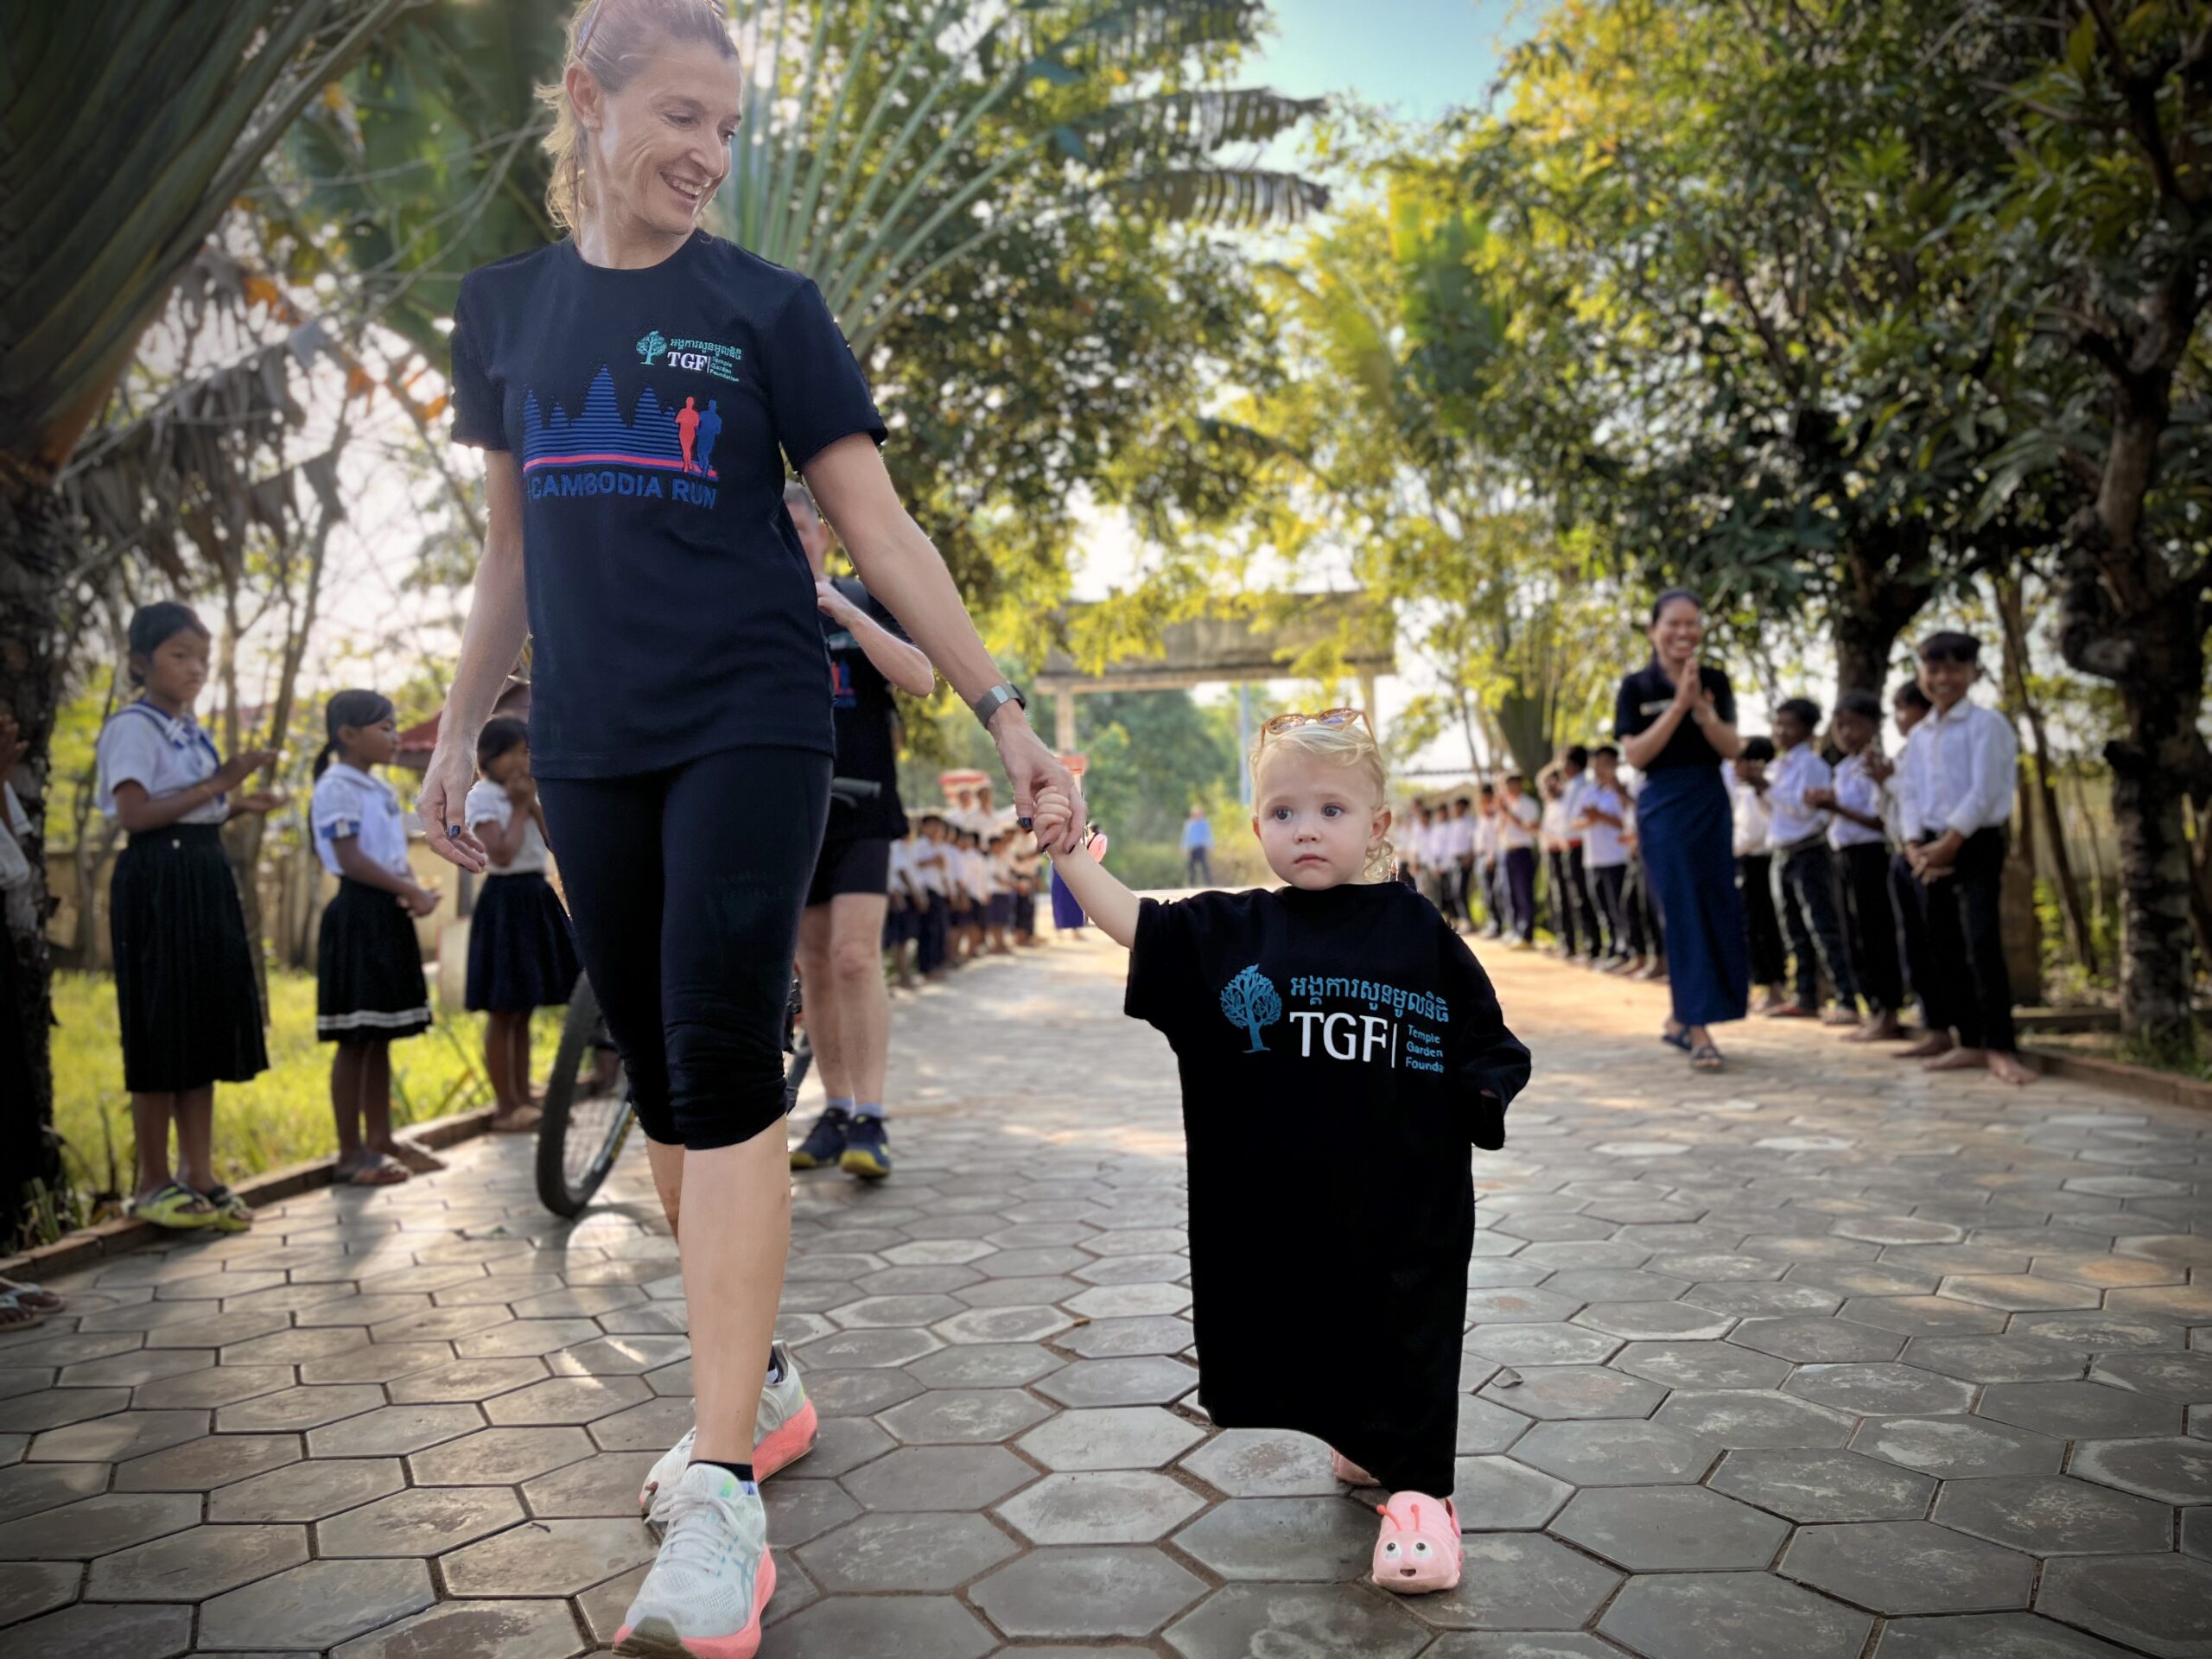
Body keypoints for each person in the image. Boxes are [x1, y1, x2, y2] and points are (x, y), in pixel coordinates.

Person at [418, 4, 1084, 1650]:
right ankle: (762, 1385)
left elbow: (882, 527)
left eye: (728, 127)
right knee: (659, 1071)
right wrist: (452, 739)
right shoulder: (504, 311)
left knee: (720, 1048)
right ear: (588, 101)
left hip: (753, 719)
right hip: (590, 743)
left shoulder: (767, 310)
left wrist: (1003, 713)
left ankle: (723, 1492)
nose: (709, 155)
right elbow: (508, 554)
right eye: (681, 117)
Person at [1030, 709, 1529, 1599]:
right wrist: (1070, 855)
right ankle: (1364, 1438)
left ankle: (1422, 1498)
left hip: (1408, 1193)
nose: (1307, 829)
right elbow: (1139, 926)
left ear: (1376, 825)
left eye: (1332, 810)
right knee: (1317, 1317)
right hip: (1286, 1193)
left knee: (1411, 1328)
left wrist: (1481, 1093)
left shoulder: (1416, 931)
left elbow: (1486, 1036)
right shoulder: (1236, 930)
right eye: (1284, 811)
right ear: (1257, 824)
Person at [93, 601, 283, 1231]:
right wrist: (221, 783)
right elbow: (136, 814)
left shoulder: (189, 728)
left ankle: (197, 1175)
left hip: (201, 871)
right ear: (141, 662)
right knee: (160, 1023)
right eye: (180, 655)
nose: (196, 669)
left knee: (199, 1023)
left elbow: (195, 805)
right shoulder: (134, 726)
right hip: (158, 880)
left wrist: (237, 804)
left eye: (203, 658)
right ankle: (153, 1182)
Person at [784, 480, 935, 1184]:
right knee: (813, 962)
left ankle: (871, 1116)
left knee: (851, 956)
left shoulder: (862, 599)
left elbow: (919, 675)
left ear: (821, 535)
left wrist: (842, 609)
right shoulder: (751, 611)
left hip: (863, 806)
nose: (790, 544)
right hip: (789, 813)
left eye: (798, 530)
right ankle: (836, 1108)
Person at [311, 690, 444, 1187]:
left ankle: (381, 1139)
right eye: (384, 728)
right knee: (356, 1038)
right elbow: (350, 859)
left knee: (381, 1035)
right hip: (358, 916)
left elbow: (390, 855)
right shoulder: (336, 786)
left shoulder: (379, 789)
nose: (395, 737)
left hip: (386, 912)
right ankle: (350, 1153)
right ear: (348, 735)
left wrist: (414, 890)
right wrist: (407, 889)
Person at [1615, 590, 1747, 1071]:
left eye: (1692, 623)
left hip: (1709, 801)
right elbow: (1635, 755)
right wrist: (1678, 705)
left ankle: (1681, 1017)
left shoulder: (1715, 680)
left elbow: (1732, 748)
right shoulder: (1636, 686)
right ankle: (1697, 1028)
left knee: (1715, 904)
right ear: (1654, 630)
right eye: (1673, 623)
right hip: (1663, 808)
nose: (1683, 632)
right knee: (1682, 908)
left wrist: (1703, 711)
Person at [1896, 631, 2035, 1086]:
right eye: (1933, 669)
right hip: (1928, 846)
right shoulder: (1919, 736)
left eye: (1954, 669)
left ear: (1974, 672)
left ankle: (2000, 1046)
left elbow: (1985, 789)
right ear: (1921, 673)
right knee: (1943, 944)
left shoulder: (1987, 725)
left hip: (1974, 842)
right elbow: (1909, 793)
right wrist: (1913, 842)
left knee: (1981, 940)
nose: (1943, 678)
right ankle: (1969, 1040)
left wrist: (1952, 841)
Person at [463, 717, 576, 1133]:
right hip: (505, 901)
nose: (520, 761)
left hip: (533, 896)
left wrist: (531, 804)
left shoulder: (525, 794)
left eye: (525, 752)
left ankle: (525, 1096)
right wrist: (516, 806)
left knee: (524, 1006)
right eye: (511, 752)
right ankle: (506, 1105)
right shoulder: (483, 797)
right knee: (504, 1008)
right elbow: (502, 853)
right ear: (487, 757)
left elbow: (553, 842)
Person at [1809, 691, 1907, 1042]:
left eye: (1855, 724)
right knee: (1853, 934)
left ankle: (1889, 1009)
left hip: (1871, 855)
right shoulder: (1841, 769)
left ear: (1874, 726)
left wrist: (1837, 808)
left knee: (1876, 932)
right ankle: (1872, 1006)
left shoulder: (1877, 766)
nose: (1847, 733)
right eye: (1841, 725)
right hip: (1843, 856)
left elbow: (1880, 821)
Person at [1759, 696, 1859, 1026]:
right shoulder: (1776, 768)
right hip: (1781, 852)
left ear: (1807, 729)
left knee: (1822, 926)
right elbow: (1773, 813)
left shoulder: (1812, 766)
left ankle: (1846, 998)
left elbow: (1805, 809)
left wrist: (1767, 789)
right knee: (1792, 929)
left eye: (1788, 725)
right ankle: (1805, 996)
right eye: (1778, 724)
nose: (1780, 731)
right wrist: (1762, 791)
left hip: (1809, 851)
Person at [1874, 681, 1936, 1034]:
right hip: (1900, 850)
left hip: (1927, 849)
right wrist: (1881, 781)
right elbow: (1889, 809)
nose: (1898, 718)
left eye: (1903, 708)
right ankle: (1930, 1019)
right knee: (1911, 940)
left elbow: (1923, 796)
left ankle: (1944, 1023)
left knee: (1933, 939)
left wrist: (1889, 781)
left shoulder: (1929, 748)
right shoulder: (1900, 754)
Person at [1730, 736, 1788, 1012]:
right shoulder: (1746, 792)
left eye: (1738, 761)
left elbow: (1754, 833)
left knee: (1764, 927)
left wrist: (1732, 848)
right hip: (1748, 861)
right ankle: (1766, 985)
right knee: (1754, 928)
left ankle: (1776, 988)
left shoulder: (1761, 789)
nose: (1734, 767)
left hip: (1758, 861)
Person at [1577, 746, 1630, 964]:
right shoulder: (1588, 792)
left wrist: (1600, 816)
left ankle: (1626, 950)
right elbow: (1573, 823)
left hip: (1616, 857)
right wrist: (1591, 819)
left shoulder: (1622, 791)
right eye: (1597, 763)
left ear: (1616, 764)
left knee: (1620, 908)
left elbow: (1628, 823)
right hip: (1593, 858)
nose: (1600, 768)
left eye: (1606, 763)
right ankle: (1613, 948)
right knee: (1602, 909)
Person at [1496, 772, 1541, 946]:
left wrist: (1508, 813)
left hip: (1522, 851)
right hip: (1506, 852)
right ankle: (1515, 930)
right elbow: (1499, 830)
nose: (1509, 789)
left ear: (1520, 785)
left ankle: (1526, 934)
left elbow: (1528, 827)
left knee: (1523, 893)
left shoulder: (1528, 804)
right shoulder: (1506, 805)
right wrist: (1503, 813)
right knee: (1510, 894)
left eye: (1513, 785)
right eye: (1506, 786)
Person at [1181, 803, 1214, 886]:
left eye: (1199, 814)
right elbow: (1186, 837)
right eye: (1195, 814)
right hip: (1193, 848)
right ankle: (1191, 884)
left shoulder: (1205, 823)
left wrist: (1211, 845)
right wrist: (1184, 848)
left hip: (1201, 848)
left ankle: (1208, 883)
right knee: (1191, 867)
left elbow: (1208, 835)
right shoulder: (1190, 824)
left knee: (1205, 866)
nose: (1197, 816)